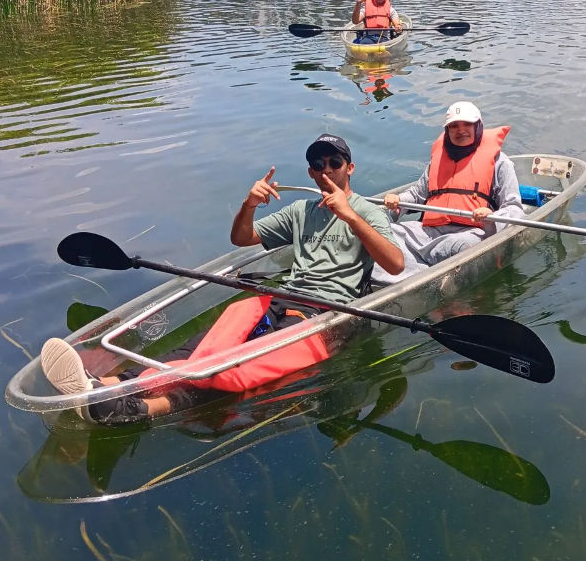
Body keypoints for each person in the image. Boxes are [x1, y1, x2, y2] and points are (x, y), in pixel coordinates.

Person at [41, 134, 404, 425]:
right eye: (317, 164)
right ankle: (108, 387)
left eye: (334, 163)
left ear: (349, 168)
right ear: (309, 172)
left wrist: (350, 217)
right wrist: (248, 204)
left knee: (235, 368)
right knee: (199, 348)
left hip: (326, 315)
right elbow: (242, 239)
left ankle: (140, 409)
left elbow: (396, 263)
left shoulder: (367, 212)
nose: (325, 170)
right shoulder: (300, 210)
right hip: (281, 298)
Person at [371, 101, 524, 283]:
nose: (461, 131)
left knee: (465, 247)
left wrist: (491, 216)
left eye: (467, 124)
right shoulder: (438, 159)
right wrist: (397, 201)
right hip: (428, 232)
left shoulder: (500, 163)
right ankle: (403, 279)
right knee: (381, 234)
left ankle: (421, 280)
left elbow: (515, 209)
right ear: (447, 131)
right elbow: (416, 195)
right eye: (454, 126)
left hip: (468, 233)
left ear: (478, 126)